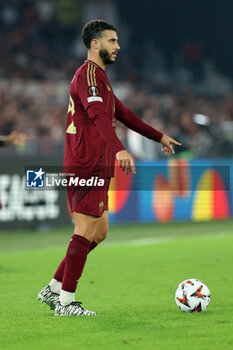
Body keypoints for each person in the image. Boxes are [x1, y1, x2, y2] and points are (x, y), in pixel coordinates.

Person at [37, 20, 181, 316]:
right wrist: (120, 150)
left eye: (117, 41)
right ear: (95, 44)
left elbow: (123, 113)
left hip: (96, 165)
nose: (117, 46)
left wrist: (159, 136)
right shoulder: (89, 75)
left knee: (99, 231)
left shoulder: (100, 78)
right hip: (86, 164)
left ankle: (52, 289)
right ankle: (66, 302)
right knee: (86, 228)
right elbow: (99, 118)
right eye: (112, 41)